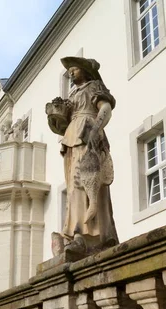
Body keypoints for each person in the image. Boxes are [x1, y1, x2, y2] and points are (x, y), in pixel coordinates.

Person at [48, 57, 119, 255]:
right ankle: (75, 233)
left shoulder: (95, 86)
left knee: (87, 184)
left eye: (74, 69)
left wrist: (97, 128)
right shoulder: (72, 94)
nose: (71, 73)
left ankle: (89, 235)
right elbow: (61, 125)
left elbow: (105, 109)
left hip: (88, 133)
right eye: (69, 70)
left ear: (85, 70)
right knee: (73, 188)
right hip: (72, 138)